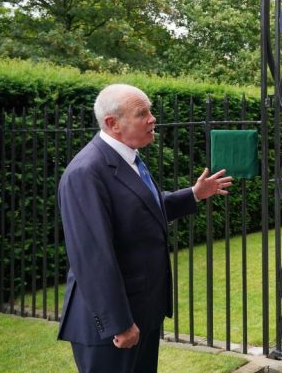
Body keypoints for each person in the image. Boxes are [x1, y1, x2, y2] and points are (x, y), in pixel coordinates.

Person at [57, 84, 233, 372]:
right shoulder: (86, 172)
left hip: (143, 311)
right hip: (112, 327)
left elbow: (142, 208)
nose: (152, 119)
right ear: (113, 123)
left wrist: (194, 194)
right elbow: (92, 256)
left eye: (150, 111)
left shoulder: (130, 158)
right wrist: (119, 323)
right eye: (142, 113)